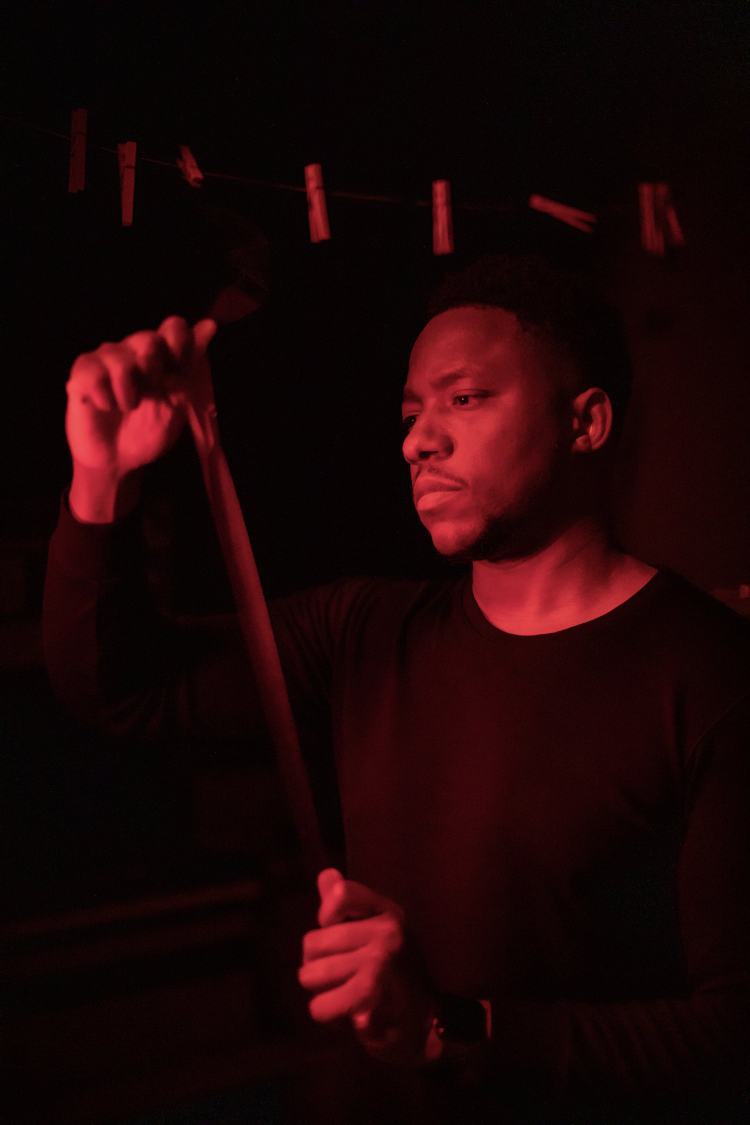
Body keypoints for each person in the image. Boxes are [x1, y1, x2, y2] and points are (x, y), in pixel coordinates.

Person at [43, 256, 750, 1124]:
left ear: (587, 422)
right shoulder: (362, 633)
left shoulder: (712, 675)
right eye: (411, 412)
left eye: (464, 398)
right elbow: (119, 687)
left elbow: (734, 1040)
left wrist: (452, 1029)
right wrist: (99, 477)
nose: (418, 439)